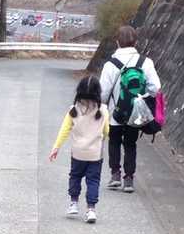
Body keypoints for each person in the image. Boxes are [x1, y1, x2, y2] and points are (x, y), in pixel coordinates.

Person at [99, 24, 162, 193]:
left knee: (114, 141)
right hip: (136, 113)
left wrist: (105, 105)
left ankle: (115, 175)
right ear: (135, 42)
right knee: (130, 143)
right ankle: (128, 179)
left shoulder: (110, 64)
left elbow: (103, 92)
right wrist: (142, 97)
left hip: (116, 112)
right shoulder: (145, 62)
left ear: (117, 42)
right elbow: (156, 88)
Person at [48, 74, 111, 223]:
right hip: (95, 154)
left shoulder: (73, 110)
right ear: (98, 92)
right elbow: (106, 131)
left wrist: (56, 147)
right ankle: (91, 209)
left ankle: (74, 203)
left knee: (75, 176)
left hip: (77, 153)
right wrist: (102, 138)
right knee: (93, 180)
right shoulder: (103, 110)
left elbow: (64, 130)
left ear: (79, 91)